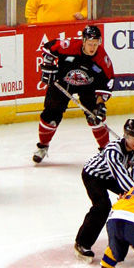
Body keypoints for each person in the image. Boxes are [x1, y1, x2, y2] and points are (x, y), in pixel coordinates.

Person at [32, 23, 114, 166]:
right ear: (83, 41)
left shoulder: (103, 59)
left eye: (95, 44)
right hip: (63, 83)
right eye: (90, 44)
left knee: (95, 117)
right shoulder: (69, 45)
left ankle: (105, 151)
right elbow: (48, 48)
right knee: (51, 115)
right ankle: (42, 147)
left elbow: (106, 83)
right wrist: (48, 66)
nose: (93, 47)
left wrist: (100, 104)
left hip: (88, 87)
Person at [76, 117, 134, 258]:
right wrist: (131, 193)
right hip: (94, 175)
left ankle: (133, 237)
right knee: (102, 206)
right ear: (126, 136)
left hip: (112, 177)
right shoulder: (112, 150)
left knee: (133, 202)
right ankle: (82, 243)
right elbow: (120, 175)